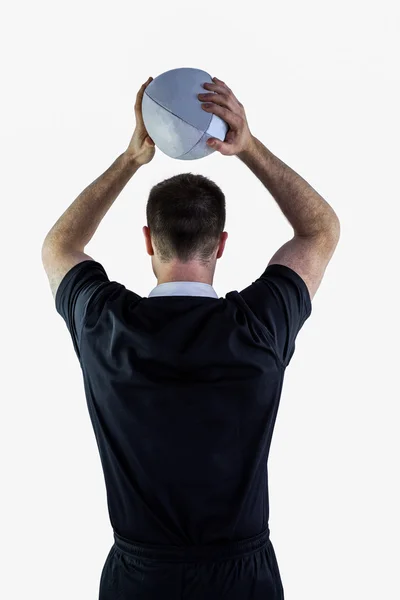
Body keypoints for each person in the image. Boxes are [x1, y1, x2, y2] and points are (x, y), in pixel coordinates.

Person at [41, 76, 340, 599]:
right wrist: (246, 146)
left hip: (140, 580)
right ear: (220, 244)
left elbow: (59, 245)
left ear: (148, 240)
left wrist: (132, 158)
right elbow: (320, 231)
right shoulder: (260, 325)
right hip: (242, 581)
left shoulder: (103, 325)